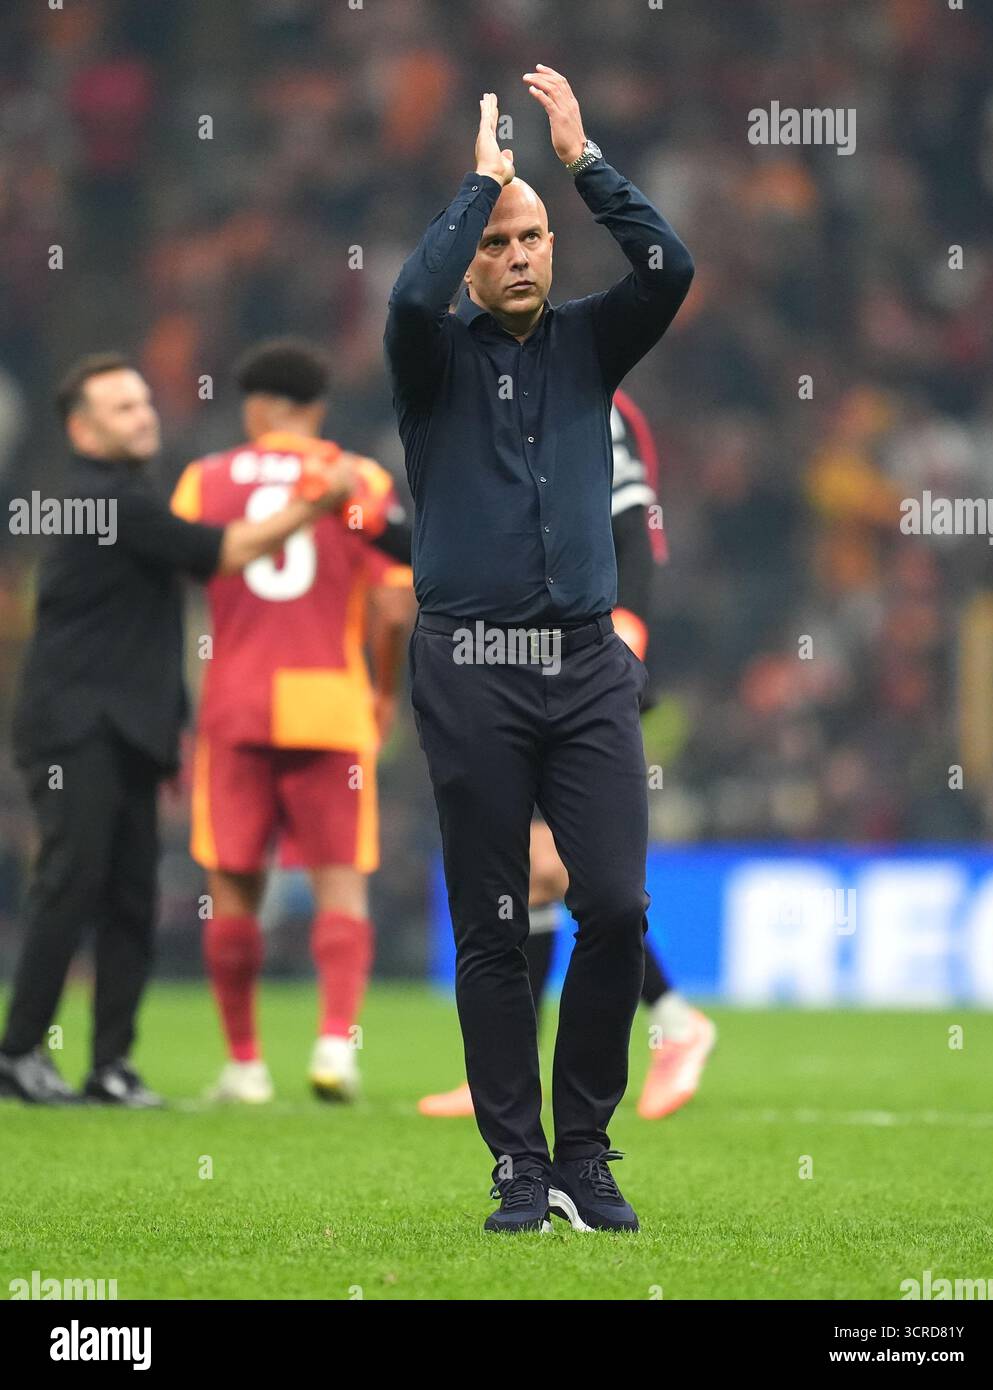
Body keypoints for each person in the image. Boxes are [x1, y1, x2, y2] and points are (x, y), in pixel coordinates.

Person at [385, 70, 694, 1232]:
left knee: (614, 903)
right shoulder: (433, 358)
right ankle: (518, 1164)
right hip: (470, 665)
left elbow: (671, 266)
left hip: (583, 663)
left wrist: (578, 162)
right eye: (499, 242)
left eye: (534, 239)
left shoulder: (589, 345)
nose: (520, 255)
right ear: (474, 257)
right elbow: (409, 300)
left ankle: (586, 1149)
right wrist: (477, 181)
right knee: (495, 924)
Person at [0, 353, 354, 1106]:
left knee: (129, 893)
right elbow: (219, 553)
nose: (144, 416)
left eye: (143, 403)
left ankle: (110, 1066)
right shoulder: (111, 502)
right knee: (71, 882)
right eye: (123, 408)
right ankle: (20, 1051)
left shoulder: (130, 496)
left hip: (129, 728)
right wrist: (315, 506)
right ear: (81, 429)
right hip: (76, 728)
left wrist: (168, 729)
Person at [418, 389, 716, 1123]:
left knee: (555, 868)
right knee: (538, 874)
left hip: (578, 660)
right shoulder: (480, 397)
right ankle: (521, 1064)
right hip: (507, 660)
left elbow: (632, 518)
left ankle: (673, 1022)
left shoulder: (580, 391)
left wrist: (628, 634)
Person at [170, 339, 414, 1103]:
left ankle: (244, 1066)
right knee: (340, 884)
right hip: (330, 701)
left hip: (234, 700)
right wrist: (383, 690)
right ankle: (335, 1048)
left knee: (234, 889)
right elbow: (393, 602)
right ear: (314, 408)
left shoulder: (203, 480)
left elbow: (181, 579)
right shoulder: (359, 479)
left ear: (258, 406)